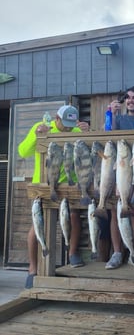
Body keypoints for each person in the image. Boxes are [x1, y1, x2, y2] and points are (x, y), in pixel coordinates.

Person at [18, 105, 90, 288]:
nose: (68, 127)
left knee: (74, 217)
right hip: (44, 184)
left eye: (71, 124)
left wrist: (89, 133)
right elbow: (22, 152)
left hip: (69, 185)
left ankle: (72, 254)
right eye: (65, 123)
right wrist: (36, 134)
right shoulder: (41, 126)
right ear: (56, 118)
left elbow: (89, 153)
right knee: (37, 226)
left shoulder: (75, 129)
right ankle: (32, 268)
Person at [104, 86, 134, 269]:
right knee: (115, 211)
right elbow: (107, 135)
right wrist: (111, 114)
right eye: (128, 98)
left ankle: (133, 252)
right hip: (119, 170)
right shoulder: (119, 119)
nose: (130, 100)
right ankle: (117, 252)